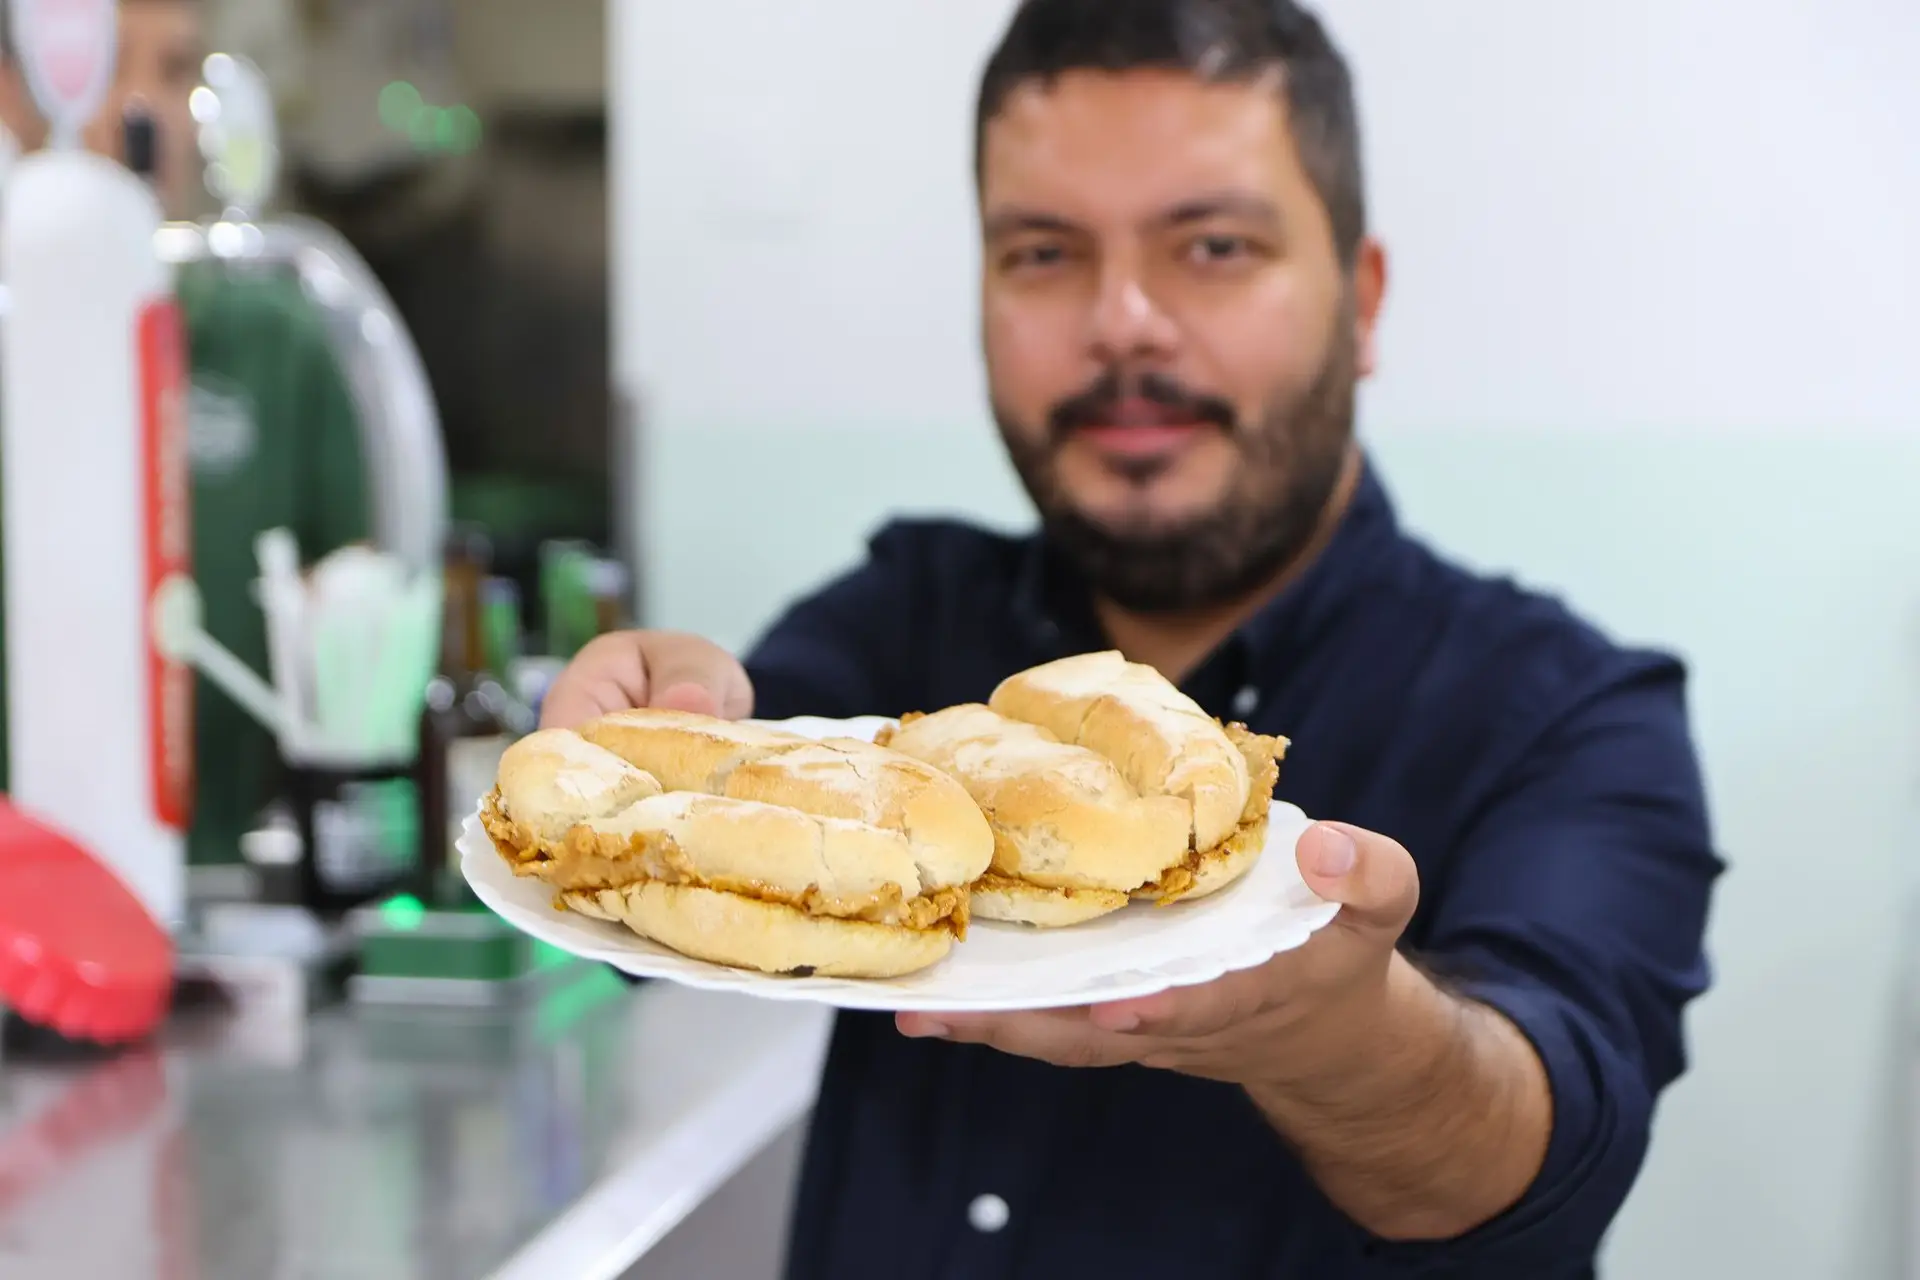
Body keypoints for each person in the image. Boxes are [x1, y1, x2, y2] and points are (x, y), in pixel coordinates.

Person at [542, 1, 1723, 1274]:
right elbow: (718, 795)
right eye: (1044, 252)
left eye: (1212, 246)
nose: (1123, 324)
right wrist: (672, 716)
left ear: (1362, 302)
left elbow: (1536, 1146)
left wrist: (1346, 1043)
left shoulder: (1573, 716)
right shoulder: (909, 612)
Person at [0, 0, 371, 868]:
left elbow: (352, 616)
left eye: (173, 71)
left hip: (227, 879)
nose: (145, 108)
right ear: (15, 92)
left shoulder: (275, 339)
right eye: (108, 66)